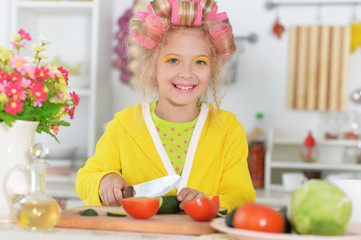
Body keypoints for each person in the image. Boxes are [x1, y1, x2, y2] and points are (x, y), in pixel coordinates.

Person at [76, 0, 255, 212]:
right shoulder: (123, 126)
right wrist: (104, 180)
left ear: (213, 69)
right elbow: (85, 178)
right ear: (151, 66)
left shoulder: (228, 130)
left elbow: (242, 195)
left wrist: (209, 202)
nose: (187, 73)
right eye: (173, 60)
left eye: (200, 62)